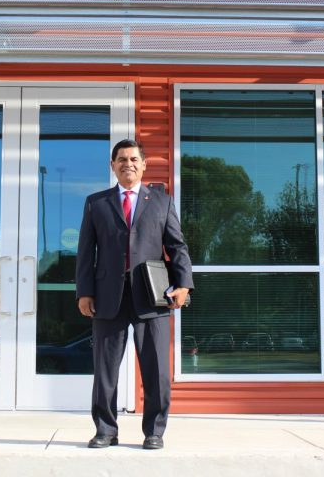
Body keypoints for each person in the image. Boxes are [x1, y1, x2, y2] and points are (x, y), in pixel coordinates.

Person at [75, 138, 194, 450]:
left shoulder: (162, 202)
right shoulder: (96, 203)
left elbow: (177, 247)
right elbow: (86, 252)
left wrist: (184, 284)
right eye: (121, 159)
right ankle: (105, 430)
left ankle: (154, 432)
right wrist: (84, 292)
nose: (127, 164)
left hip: (151, 295)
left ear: (144, 165)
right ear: (112, 166)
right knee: (104, 369)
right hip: (106, 296)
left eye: (133, 159)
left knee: (156, 369)